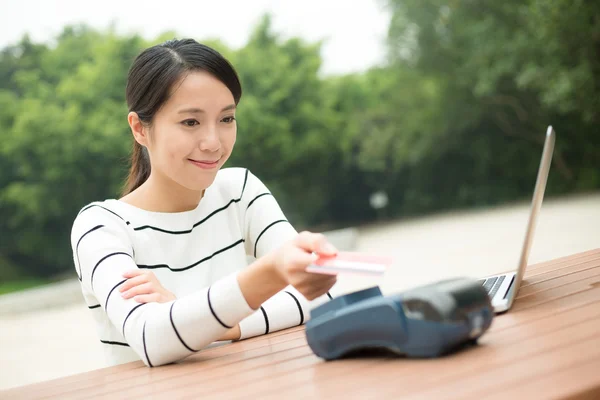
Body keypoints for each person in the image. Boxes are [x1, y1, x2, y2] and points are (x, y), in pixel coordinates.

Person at [70, 38, 339, 368]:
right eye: (190, 122)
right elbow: (153, 339)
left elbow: (317, 293)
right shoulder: (102, 226)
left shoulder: (239, 191)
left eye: (226, 119)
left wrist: (190, 312)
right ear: (140, 128)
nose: (213, 143)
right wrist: (271, 274)